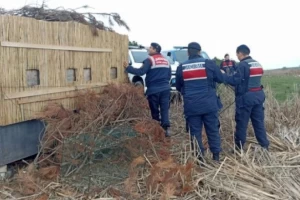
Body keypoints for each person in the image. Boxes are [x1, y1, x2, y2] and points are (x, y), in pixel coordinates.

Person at [176, 42, 224, 161]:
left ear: (188, 52)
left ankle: (200, 159)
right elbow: (220, 79)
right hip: (209, 104)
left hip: (192, 106)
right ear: (199, 51)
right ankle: (216, 157)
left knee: (195, 133)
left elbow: (178, 86)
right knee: (212, 130)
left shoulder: (181, 67)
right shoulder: (209, 64)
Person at [222, 44, 269, 151]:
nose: (237, 57)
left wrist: (223, 77)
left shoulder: (243, 65)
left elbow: (235, 80)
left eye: (237, 54)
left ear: (240, 53)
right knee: (258, 123)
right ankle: (265, 145)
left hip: (246, 98)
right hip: (259, 96)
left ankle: (238, 148)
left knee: (241, 123)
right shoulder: (257, 64)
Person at [123, 42, 171, 137]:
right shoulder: (166, 61)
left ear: (155, 50)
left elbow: (141, 72)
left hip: (154, 90)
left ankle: (157, 129)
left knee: (155, 110)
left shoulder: (149, 60)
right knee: (164, 109)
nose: (148, 49)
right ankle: (166, 129)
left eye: (150, 48)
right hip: (166, 89)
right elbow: (169, 76)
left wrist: (128, 68)